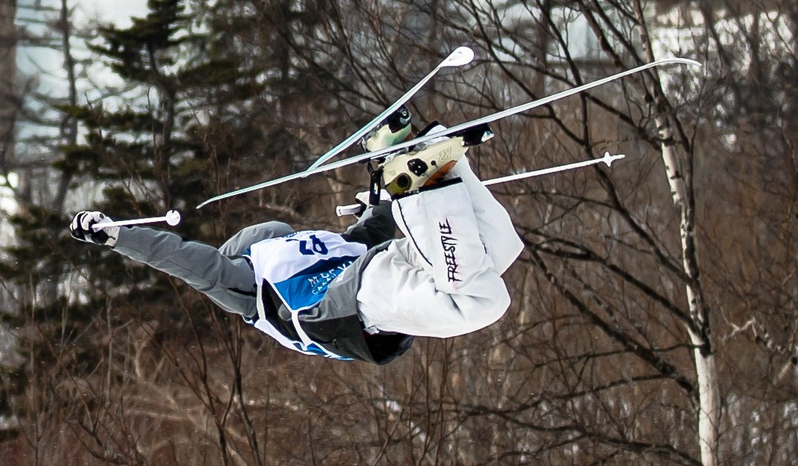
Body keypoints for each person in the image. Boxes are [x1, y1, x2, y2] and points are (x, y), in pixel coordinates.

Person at [65, 127, 525, 363]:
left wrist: (118, 236)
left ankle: (424, 175)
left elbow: (182, 259)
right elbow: (376, 228)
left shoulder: (251, 289)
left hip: (362, 305)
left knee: (480, 302)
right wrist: (381, 196)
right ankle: (439, 164)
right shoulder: (325, 244)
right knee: (499, 251)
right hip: (378, 269)